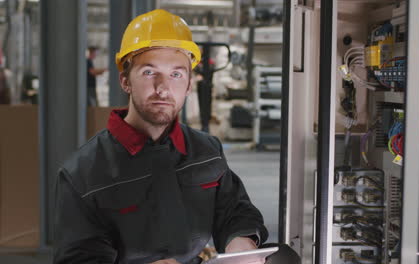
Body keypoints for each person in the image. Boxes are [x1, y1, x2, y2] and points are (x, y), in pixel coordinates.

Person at [54, 9, 299, 264]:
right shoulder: (83, 173)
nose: (163, 88)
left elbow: (234, 211)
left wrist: (240, 243)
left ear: (189, 84)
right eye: (149, 72)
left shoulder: (205, 150)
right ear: (125, 80)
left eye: (176, 74)